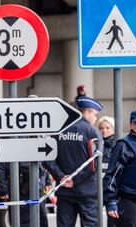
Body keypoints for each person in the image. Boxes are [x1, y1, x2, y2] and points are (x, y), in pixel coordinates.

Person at [45, 96, 103, 227]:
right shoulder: (92, 132)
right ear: (86, 112)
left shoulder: (57, 129)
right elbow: (95, 163)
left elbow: (47, 158)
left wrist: (62, 177)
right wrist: (74, 179)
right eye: (95, 114)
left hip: (64, 191)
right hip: (87, 192)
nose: (95, 119)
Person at [0, 162, 50, 227]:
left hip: (38, 190)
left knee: (41, 221)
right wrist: (3, 191)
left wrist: (47, 181)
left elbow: (43, 163)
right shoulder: (18, 153)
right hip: (20, 192)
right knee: (24, 222)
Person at [97, 115, 116, 227]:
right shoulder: (94, 144)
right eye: (101, 128)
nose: (104, 131)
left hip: (111, 188)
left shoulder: (118, 145)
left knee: (113, 220)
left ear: (113, 129)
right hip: (97, 187)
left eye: (107, 128)